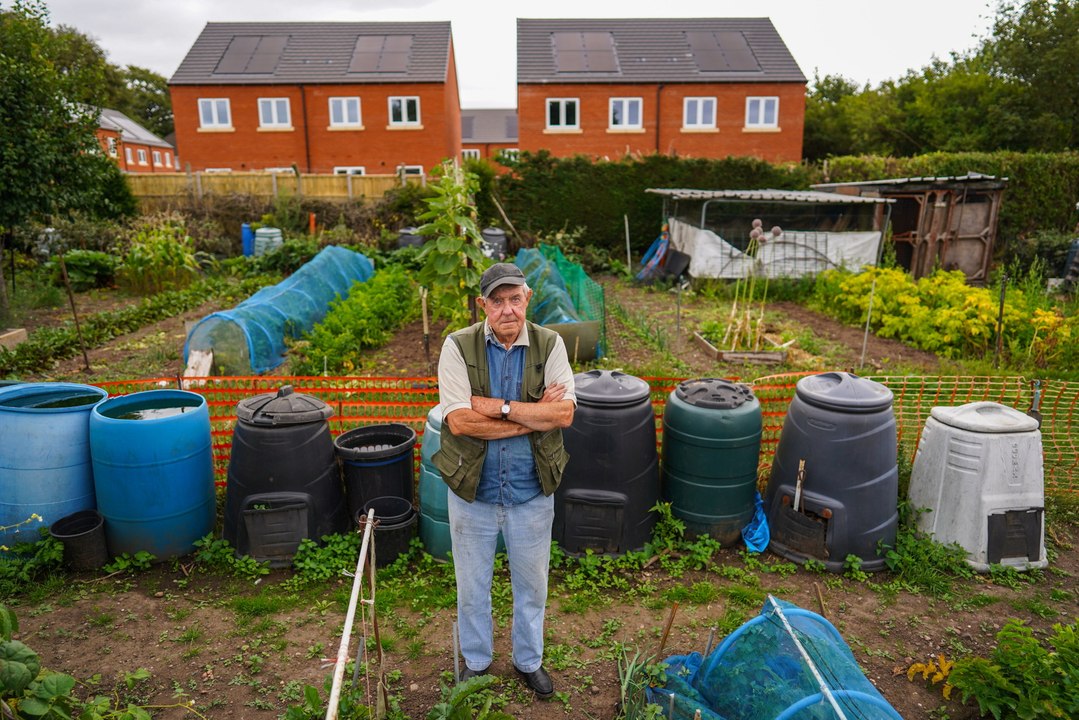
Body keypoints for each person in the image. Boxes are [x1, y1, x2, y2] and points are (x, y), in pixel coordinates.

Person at [433, 262, 576, 700]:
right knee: (471, 586)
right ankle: (476, 662)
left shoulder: (551, 345)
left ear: (527, 299)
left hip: (530, 490)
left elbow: (565, 413)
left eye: (515, 298)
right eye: (497, 301)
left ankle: (528, 661)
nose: (508, 309)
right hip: (472, 491)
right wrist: (534, 417)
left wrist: (500, 408)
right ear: (483, 305)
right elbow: (458, 421)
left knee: (532, 586)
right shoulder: (457, 346)